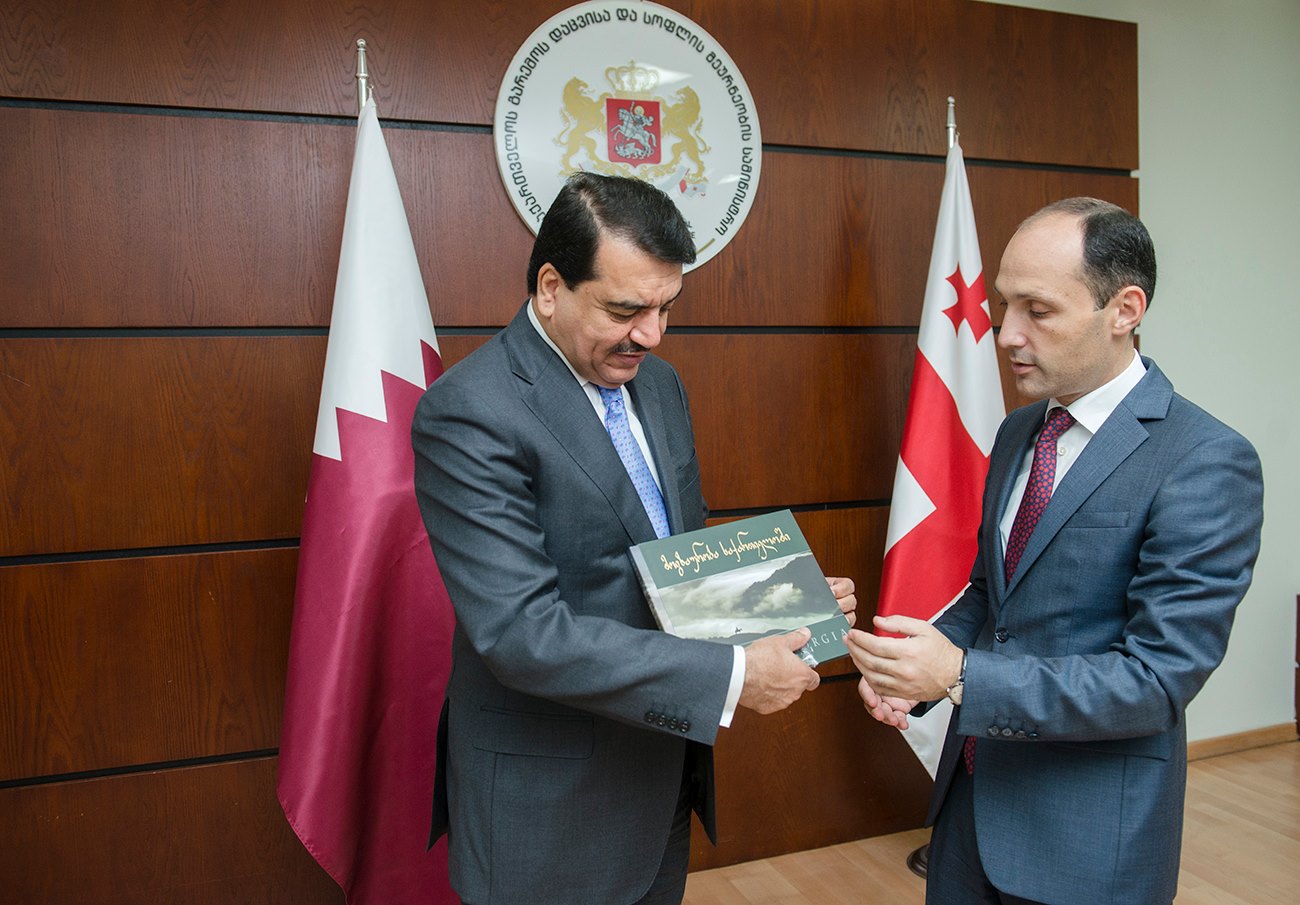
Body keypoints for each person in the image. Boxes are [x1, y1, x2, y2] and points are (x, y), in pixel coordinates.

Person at [412, 172, 856, 905]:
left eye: (665, 307)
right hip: (548, 801)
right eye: (625, 310)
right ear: (551, 287)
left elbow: (671, 559)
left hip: (660, 775)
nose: (650, 334)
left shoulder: (658, 384)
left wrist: (776, 602)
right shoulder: (470, 412)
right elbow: (522, 633)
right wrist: (734, 676)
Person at [846, 198, 1263, 905]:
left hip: (1088, 838)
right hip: (970, 807)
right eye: (1004, 305)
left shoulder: (1204, 459)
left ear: (1124, 309)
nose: (1006, 334)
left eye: (1037, 310)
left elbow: (1156, 680)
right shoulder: (1018, 433)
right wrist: (910, 672)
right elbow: (994, 597)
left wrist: (961, 676)